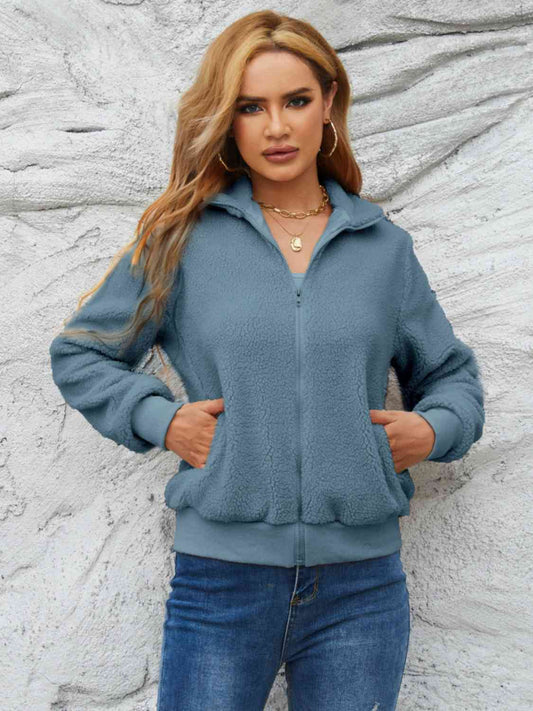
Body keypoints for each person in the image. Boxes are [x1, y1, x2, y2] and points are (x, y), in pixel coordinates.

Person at [49, 10, 485, 711]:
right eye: (250, 107)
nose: (276, 127)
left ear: (328, 104)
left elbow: (451, 377)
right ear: (225, 119)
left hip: (362, 591)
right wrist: (162, 419)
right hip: (220, 584)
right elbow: (81, 353)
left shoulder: (382, 249)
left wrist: (432, 429)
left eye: (296, 101)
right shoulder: (179, 241)